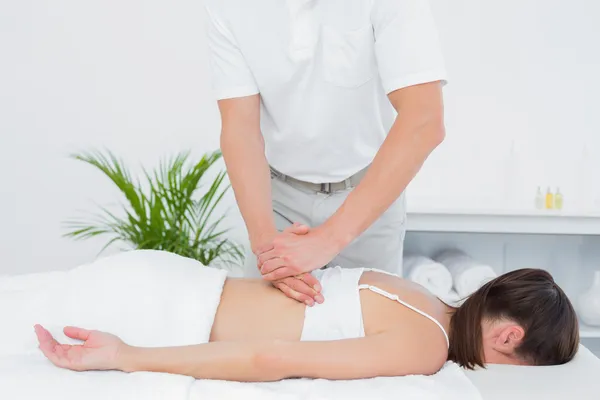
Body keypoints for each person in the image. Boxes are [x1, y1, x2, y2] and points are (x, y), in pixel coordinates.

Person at [208, 0, 448, 305]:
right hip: (277, 201)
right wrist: (267, 247)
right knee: (266, 335)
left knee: (367, 335)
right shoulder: (228, 7)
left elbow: (424, 120)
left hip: (367, 197)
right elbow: (240, 130)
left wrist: (328, 239)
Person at [35, 252, 579, 382]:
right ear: (510, 336)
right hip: (162, 312)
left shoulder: (417, 293)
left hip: (170, 277)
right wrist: (126, 355)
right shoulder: (426, 345)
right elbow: (271, 355)